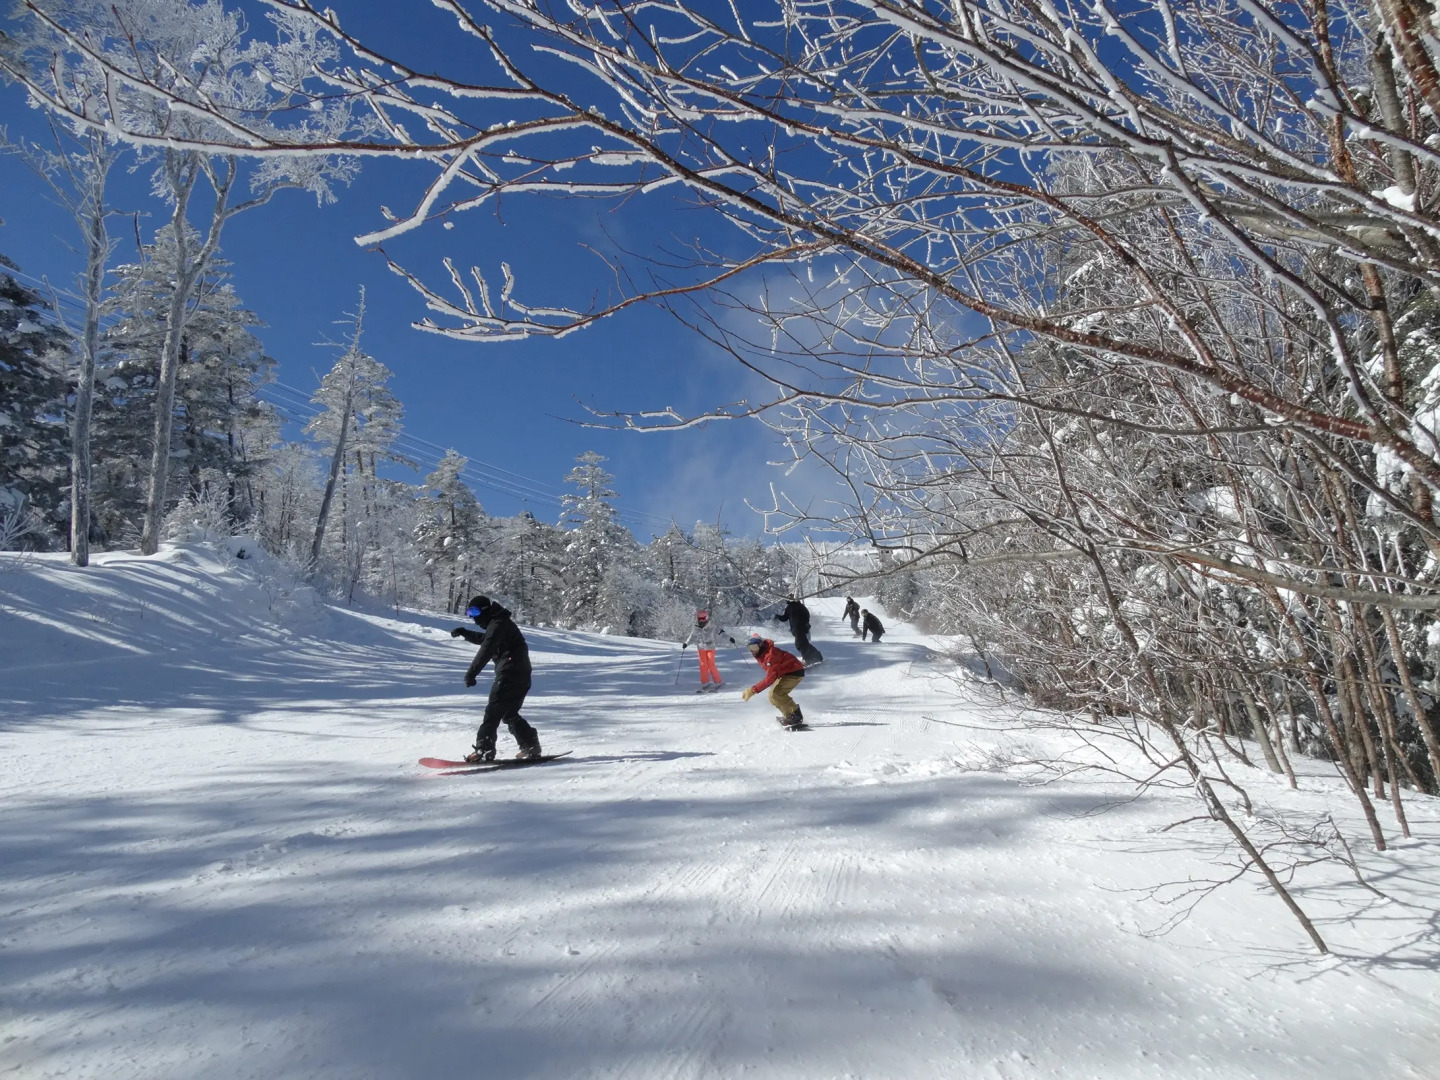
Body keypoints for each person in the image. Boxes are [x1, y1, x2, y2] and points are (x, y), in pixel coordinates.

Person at [450, 594, 543, 762]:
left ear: (486, 610)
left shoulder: (498, 624)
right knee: (509, 713)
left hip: (509, 673)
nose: (473, 618)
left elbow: (487, 647)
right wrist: (465, 633)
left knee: (493, 712)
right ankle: (530, 744)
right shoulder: (500, 624)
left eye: (475, 612)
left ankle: (484, 749)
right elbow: (485, 639)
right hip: (521, 674)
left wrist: (471, 674)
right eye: (470, 613)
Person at [740, 633, 807, 728]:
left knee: (776, 693)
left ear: (760, 645)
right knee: (772, 696)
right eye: (749, 648)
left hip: (794, 672)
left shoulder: (770, 656)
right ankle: (789, 716)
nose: (752, 651)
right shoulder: (762, 653)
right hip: (785, 672)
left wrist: (753, 690)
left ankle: (795, 716)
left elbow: (770, 678)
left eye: (754, 647)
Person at [681, 610, 737, 691]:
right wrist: (686, 643)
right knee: (702, 665)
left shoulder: (712, 626)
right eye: (699, 618)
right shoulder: (696, 627)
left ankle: (718, 681)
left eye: (702, 618)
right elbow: (691, 636)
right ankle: (705, 682)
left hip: (710, 647)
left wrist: (729, 638)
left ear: (706, 618)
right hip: (701, 647)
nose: (700, 621)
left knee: (711, 664)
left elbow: (721, 632)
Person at [774, 594, 823, 666]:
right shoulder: (800, 606)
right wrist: (805, 623)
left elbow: (784, 618)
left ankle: (808, 659)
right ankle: (817, 656)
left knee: (800, 645)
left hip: (798, 629)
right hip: (802, 629)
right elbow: (807, 615)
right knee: (804, 644)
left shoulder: (790, 607)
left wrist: (777, 617)